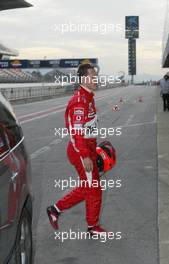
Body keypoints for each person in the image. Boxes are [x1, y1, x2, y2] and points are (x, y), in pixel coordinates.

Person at [47, 63, 106, 236]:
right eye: (92, 76)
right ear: (83, 79)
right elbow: (76, 132)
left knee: (91, 187)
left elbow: (88, 129)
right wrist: (85, 155)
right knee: (93, 187)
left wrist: (93, 149)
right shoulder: (80, 101)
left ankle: (59, 211)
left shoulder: (88, 97)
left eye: (96, 76)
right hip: (80, 152)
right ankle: (89, 225)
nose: (96, 79)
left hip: (87, 149)